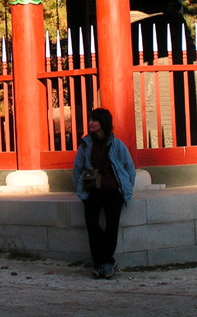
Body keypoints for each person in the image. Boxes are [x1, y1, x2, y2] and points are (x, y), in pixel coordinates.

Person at [72, 108, 136, 279]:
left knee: (111, 226)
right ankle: (101, 262)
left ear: (103, 123)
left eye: (95, 120)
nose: (90, 123)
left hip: (113, 191)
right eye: (90, 120)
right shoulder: (86, 144)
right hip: (92, 191)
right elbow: (77, 168)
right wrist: (80, 186)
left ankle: (105, 264)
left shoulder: (117, 145)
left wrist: (127, 188)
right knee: (92, 225)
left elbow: (129, 168)